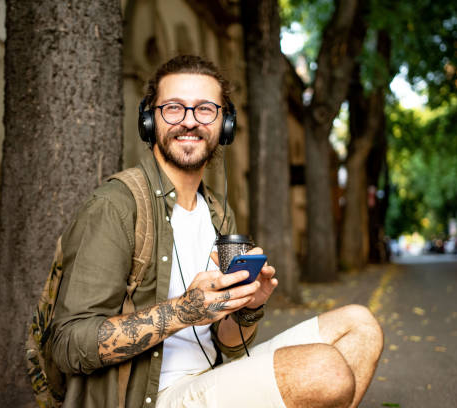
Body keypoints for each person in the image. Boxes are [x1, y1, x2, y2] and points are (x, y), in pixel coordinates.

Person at [51, 55, 383, 408]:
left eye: (205, 109)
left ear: (225, 125)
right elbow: (69, 345)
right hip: (152, 398)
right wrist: (183, 311)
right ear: (149, 121)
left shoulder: (218, 214)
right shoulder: (116, 206)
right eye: (174, 108)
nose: (190, 122)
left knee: (360, 326)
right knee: (324, 370)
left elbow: (230, 346)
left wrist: (248, 307)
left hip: (211, 377)